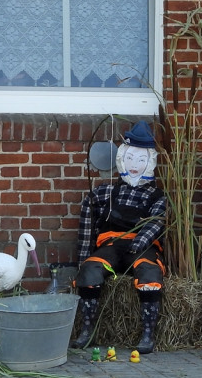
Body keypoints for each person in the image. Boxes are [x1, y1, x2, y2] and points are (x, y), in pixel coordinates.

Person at [71, 121, 166, 353]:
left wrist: (140, 242)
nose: (134, 166)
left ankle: (147, 334)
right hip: (111, 246)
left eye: (141, 160)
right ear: (122, 159)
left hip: (141, 248)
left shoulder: (157, 196)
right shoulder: (103, 193)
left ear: (150, 162)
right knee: (91, 269)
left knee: (150, 272)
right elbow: (87, 227)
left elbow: (156, 222)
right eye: (130, 159)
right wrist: (83, 259)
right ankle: (87, 329)